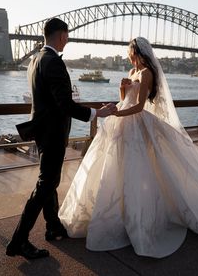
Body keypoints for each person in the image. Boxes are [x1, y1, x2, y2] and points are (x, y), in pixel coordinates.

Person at [59, 36, 198, 258]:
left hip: (135, 123)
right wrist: (122, 90)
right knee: (116, 168)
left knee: (136, 168)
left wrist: (116, 112)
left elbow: (139, 106)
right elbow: (126, 99)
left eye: (131, 54)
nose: (129, 58)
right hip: (123, 122)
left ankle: (137, 217)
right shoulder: (132, 73)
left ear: (139, 53)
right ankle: (118, 215)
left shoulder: (147, 73)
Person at [6, 18, 116, 260]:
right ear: (62, 35)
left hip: (42, 131)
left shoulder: (35, 60)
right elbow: (65, 104)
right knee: (45, 184)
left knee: (50, 181)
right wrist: (97, 112)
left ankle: (53, 226)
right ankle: (19, 241)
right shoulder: (54, 62)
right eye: (67, 35)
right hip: (53, 133)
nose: (68, 39)